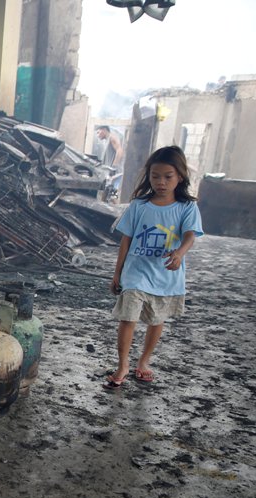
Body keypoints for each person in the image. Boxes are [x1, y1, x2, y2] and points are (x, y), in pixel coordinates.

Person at [104, 146, 203, 390]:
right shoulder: (139, 205)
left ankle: (144, 362)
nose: (161, 182)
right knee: (128, 319)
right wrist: (117, 273)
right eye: (155, 176)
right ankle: (123, 364)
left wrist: (179, 253)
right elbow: (126, 240)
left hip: (165, 276)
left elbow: (190, 235)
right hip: (135, 274)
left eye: (168, 176)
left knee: (156, 321)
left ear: (180, 176)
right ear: (149, 176)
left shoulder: (186, 207)